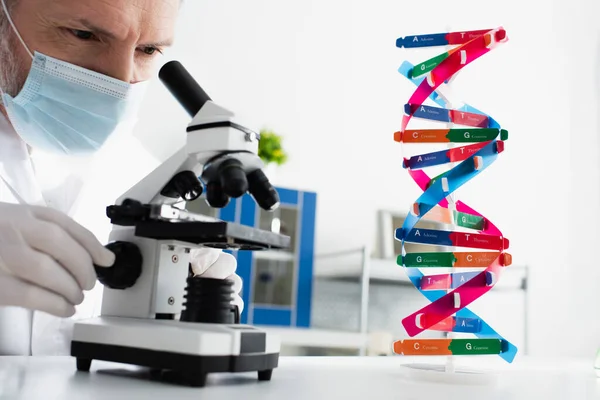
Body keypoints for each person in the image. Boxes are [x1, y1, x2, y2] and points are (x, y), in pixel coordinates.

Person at [0, 0, 243, 356]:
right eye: (84, 35)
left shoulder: (142, 174)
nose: (119, 79)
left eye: (147, 49)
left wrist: (191, 311)